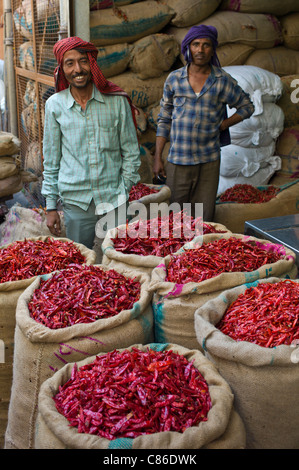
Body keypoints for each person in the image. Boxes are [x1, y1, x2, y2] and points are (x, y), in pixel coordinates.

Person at [42, 36, 141, 249]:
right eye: (70, 63)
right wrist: (51, 207)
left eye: (83, 61)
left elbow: (132, 151)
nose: (78, 69)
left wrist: (125, 187)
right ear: (62, 68)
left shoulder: (116, 101)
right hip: (76, 202)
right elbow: (51, 160)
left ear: (92, 64)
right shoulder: (54, 106)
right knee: (81, 265)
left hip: (114, 199)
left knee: (118, 261)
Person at [153, 25, 255, 221]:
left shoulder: (222, 80)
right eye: (196, 44)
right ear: (188, 48)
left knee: (203, 217)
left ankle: (198, 250)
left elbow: (247, 106)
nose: (200, 50)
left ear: (213, 49)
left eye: (206, 45)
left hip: (208, 161)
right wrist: (157, 157)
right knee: (173, 217)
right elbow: (164, 119)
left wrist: (224, 124)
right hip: (179, 160)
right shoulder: (174, 79)